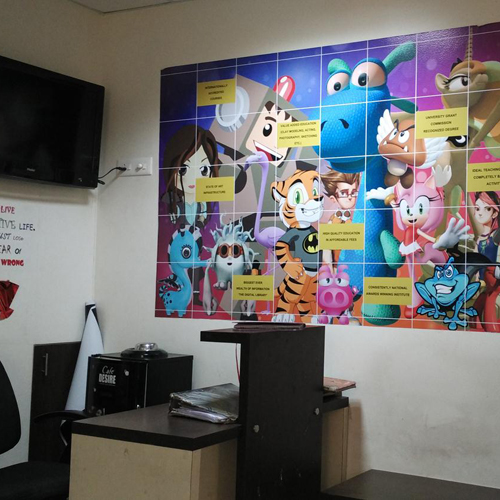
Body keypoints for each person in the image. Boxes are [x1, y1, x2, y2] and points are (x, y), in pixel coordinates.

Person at [161, 125, 221, 305]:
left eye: (203, 170)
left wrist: (200, 223)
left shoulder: (202, 203)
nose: (193, 178)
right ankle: (182, 289)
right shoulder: (174, 202)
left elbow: (202, 218)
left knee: (196, 268)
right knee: (182, 266)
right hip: (181, 240)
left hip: (195, 239)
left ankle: (194, 295)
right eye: (184, 170)